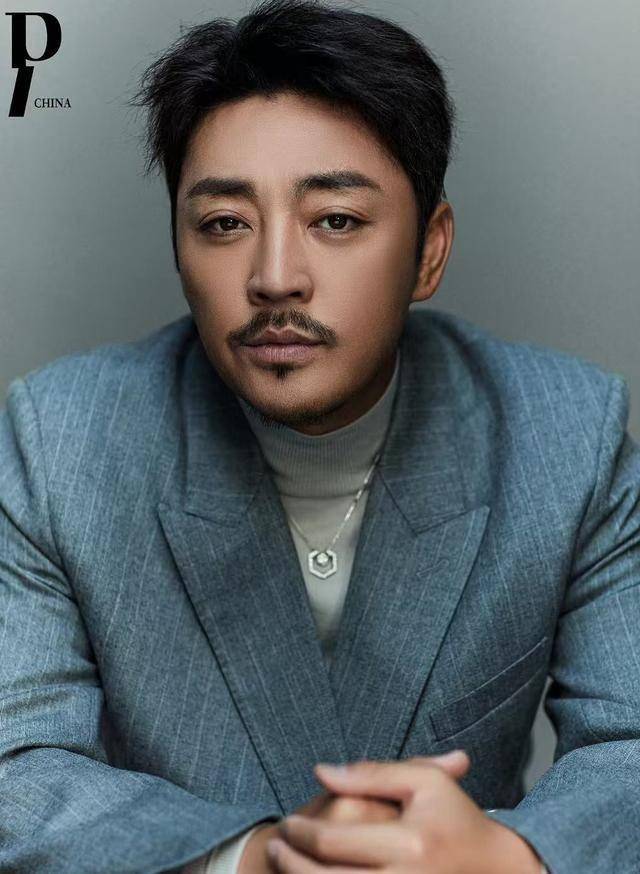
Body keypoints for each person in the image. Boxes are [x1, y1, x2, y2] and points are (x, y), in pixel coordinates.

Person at [1, 0, 638, 871]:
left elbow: (631, 744)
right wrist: (257, 857)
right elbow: (16, 764)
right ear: (179, 245)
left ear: (428, 251)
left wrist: (509, 856)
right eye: (225, 223)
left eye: (335, 219)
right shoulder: (61, 442)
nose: (274, 278)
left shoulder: (564, 434)